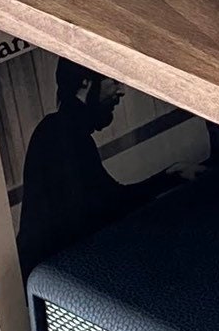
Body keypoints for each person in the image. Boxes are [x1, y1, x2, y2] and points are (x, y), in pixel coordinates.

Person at [15, 60, 134, 273]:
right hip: (53, 274)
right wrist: (171, 175)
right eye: (114, 80)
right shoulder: (62, 132)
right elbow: (109, 204)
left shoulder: (59, 129)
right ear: (86, 83)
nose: (121, 90)